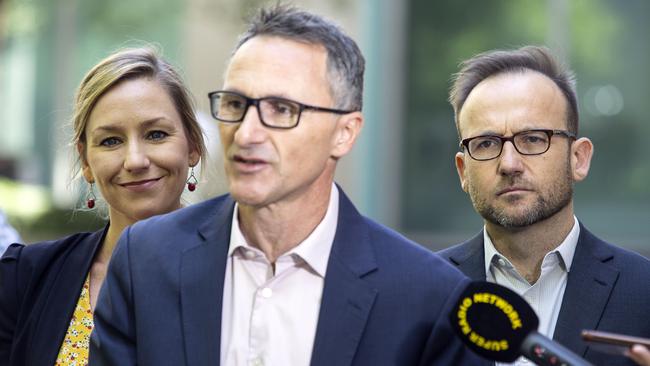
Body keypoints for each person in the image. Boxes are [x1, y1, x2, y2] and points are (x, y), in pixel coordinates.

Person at [90, 5, 486, 366]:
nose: (246, 133)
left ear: (344, 134)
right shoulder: (145, 259)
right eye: (235, 105)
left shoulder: (427, 297)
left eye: (282, 109)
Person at [438, 45, 650, 365]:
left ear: (578, 158)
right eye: (486, 143)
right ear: (463, 171)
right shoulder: (422, 290)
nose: (509, 163)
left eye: (534, 139)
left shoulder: (643, 291)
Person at [0, 47, 206, 366]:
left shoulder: (239, 274)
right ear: (85, 160)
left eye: (156, 134)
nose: (135, 160)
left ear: (192, 146)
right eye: (111, 141)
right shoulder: (24, 279)